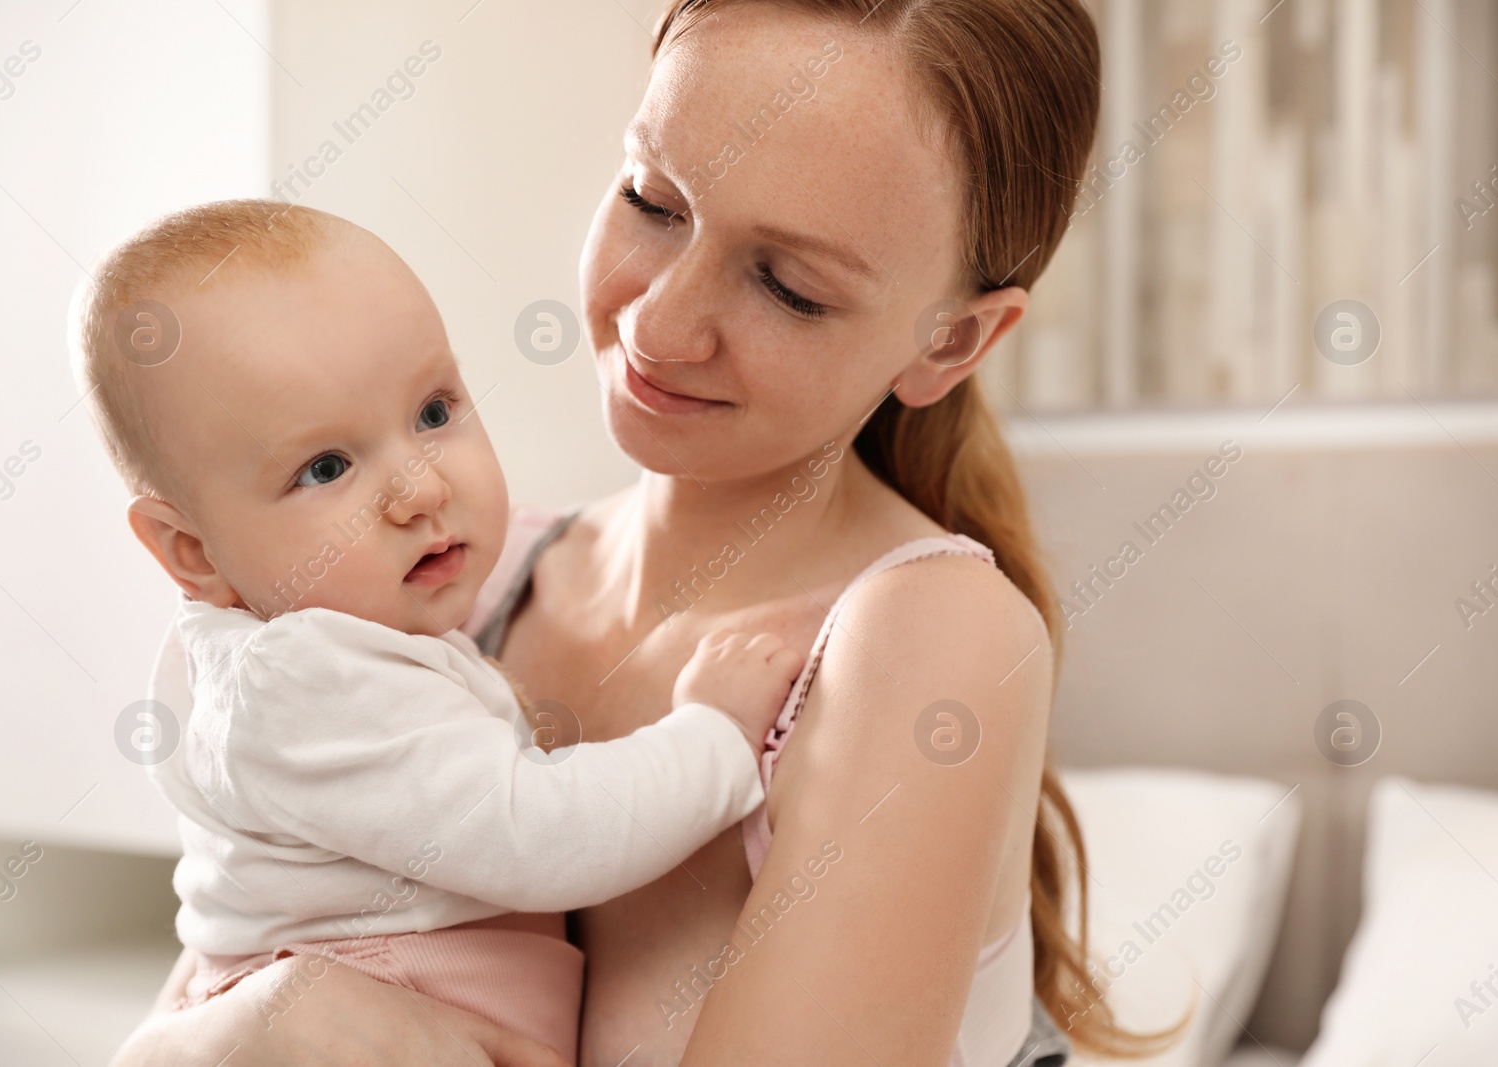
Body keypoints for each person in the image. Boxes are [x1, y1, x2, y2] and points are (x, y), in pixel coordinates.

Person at [114, 1, 1161, 1063]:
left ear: (951, 343)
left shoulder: (928, 639)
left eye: (788, 288)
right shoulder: (451, 583)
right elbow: (203, 996)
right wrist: (260, 1024)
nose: (657, 323)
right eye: (651, 200)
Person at [76, 201, 810, 1066]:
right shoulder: (303, 679)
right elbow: (539, 831)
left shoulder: (292, 644)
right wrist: (715, 736)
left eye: (432, 412)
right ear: (192, 550)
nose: (418, 489)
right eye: (326, 468)